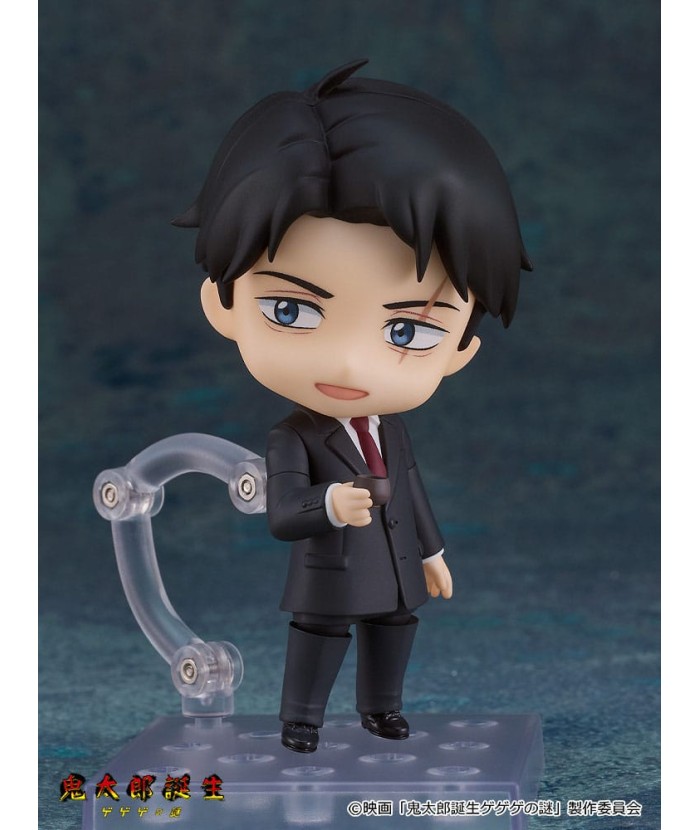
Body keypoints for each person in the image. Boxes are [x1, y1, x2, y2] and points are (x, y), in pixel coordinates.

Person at [174, 60, 532, 753]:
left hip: (395, 565)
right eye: (290, 310)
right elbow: (283, 514)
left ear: (460, 348)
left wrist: (433, 551)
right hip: (329, 574)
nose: (348, 364)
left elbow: (413, 492)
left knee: (395, 630)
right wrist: (330, 505)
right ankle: (301, 720)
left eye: (408, 331)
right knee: (319, 637)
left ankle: (382, 711)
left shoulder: (391, 433)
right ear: (223, 303)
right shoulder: (292, 437)